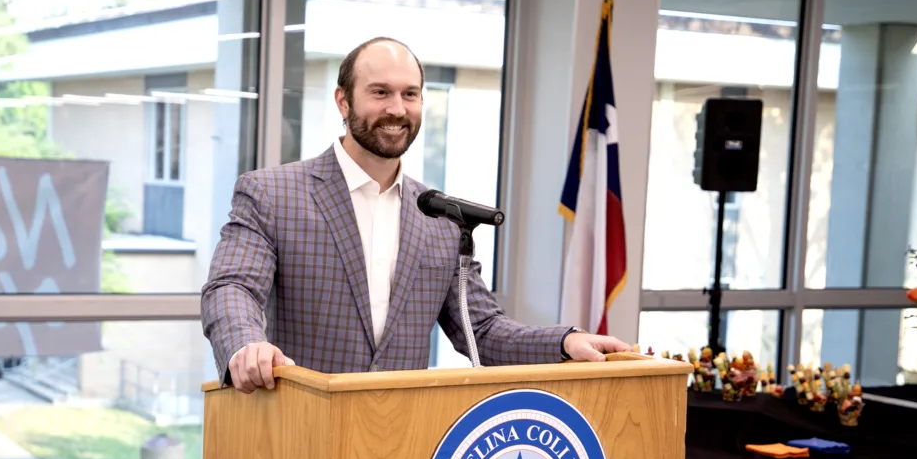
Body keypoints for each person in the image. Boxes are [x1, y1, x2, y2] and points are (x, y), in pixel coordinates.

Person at [201, 37, 632, 393]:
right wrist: (246, 345)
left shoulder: (440, 218)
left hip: (404, 443)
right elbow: (232, 286)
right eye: (380, 92)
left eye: (410, 94)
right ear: (343, 101)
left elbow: (481, 329)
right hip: (302, 433)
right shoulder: (272, 193)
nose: (397, 109)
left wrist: (565, 340)